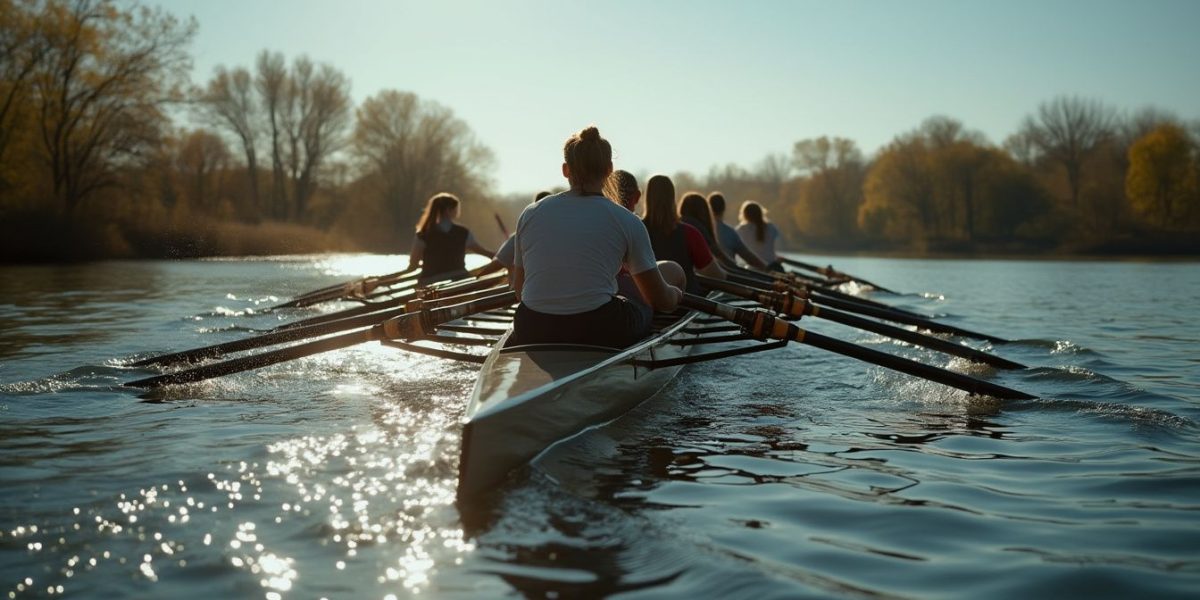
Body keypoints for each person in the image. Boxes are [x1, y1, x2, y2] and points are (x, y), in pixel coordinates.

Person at [510, 126, 682, 348]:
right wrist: (675, 294)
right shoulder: (627, 220)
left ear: (565, 170)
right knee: (642, 304)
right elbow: (659, 299)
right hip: (597, 327)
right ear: (610, 169)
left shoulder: (530, 213)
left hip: (531, 326)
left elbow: (519, 290)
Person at [642, 175, 726, 294]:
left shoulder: (636, 230)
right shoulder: (689, 232)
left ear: (647, 197)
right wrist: (726, 272)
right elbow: (715, 275)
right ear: (672, 198)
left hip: (649, 303)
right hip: (688, 305)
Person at [406, 193, 494, 285]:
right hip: (459, 280)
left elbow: (413, 265)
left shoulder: (423, 234)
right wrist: (501, 256)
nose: (458, 211)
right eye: (456, 208)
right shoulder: (463, 232)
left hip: (430, 282)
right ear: (448, 210)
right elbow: (484, 252)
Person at [708, 192, 768, 270]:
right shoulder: (729, 232)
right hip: (728, 276)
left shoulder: (700, 229)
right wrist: (768, 269)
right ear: (724, 208)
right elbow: (748, 257)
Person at [736, 200, 783, 271]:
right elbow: (773, 248)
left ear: (745, 214)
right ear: (761, 213)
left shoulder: (741, 229)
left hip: (752, 269)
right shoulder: (771, 227)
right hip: (771, 267)